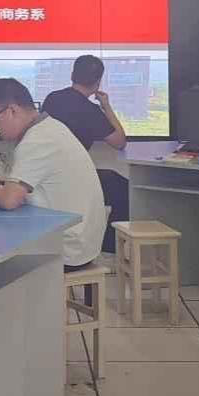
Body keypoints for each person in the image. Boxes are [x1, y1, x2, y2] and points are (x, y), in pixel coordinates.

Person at [0, 78, 106, 269]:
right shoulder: (50, 126)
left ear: (11, 110)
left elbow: (9, 200)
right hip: (83, 241)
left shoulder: (37, 140)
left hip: (67, 249)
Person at [41, 54, 129, 253]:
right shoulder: (91, 111)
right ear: (98, 81)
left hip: (47, 174)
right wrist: (106, 106)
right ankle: (108, 248)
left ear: (73, 75)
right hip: (73, 178)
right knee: (124, 190)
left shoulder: (52, 98)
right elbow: (120, 142)